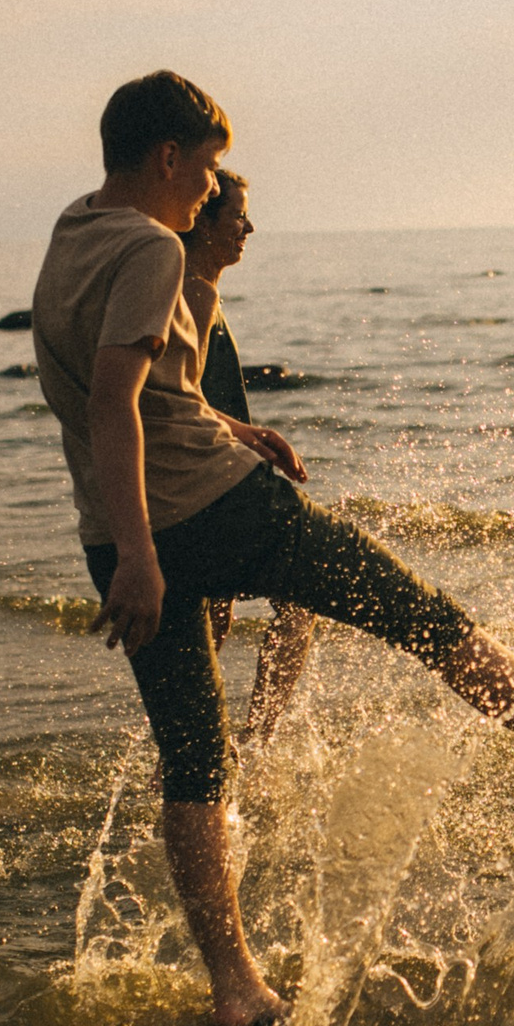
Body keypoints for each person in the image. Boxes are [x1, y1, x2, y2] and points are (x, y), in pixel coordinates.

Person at [31, 71, 514, 1026]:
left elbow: (122, 396)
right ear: (166, 157)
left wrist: (219, 439)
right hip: (204, 517)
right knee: (427, 618)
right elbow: (114, 404)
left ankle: (235, 986)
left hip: (112, 527)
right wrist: (150, 554)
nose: (210, 190)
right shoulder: (155, 248)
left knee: (195, 762)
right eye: (205, 169)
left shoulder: (72, 233)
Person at [181, 170, 315, 749]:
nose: (249, 227)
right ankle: (251, 744)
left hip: (209, 482)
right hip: (208, 485)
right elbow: (170, 399)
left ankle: (200, 757)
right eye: (237, 216)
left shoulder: (195, 286)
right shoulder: (192, 292)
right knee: (301, 594)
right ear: (203, 222)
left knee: (212, 626)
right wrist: (249, 434)